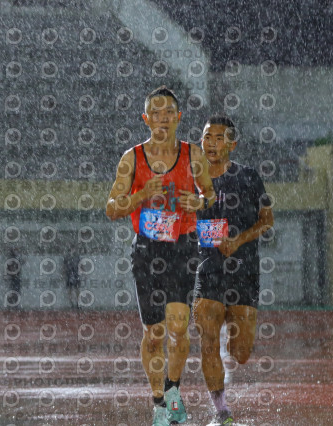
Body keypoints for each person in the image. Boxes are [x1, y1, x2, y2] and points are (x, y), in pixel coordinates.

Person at [106, 86, 216, 425]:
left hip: (182, 247)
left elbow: (211, 195)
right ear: (146, 119)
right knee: (154, 333)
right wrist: (140, 195)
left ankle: (173, 391)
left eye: (169, 112)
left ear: (178, 117)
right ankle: (158, 403)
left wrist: (199, 202)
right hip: (147, 250)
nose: (163, 118)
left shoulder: (192, 155)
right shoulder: (132, 158)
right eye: (156, 113)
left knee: (179, 326)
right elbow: (111, 208)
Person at [192, 115, 274, 425]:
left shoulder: (249, 177)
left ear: (232, 144)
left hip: (244, 270)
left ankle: (233, 328)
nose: (211, 143)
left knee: (240, 352)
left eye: (219, 138)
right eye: (207, 137)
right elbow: (183, 221)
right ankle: (222, 411)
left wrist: (238, 239)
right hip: (209, 268)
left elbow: (267, 220)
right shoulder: (192, 178)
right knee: (207, 341)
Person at [63, 242, 80, 310]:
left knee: (76, 289)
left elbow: (80, 265)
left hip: (75, 274)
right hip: (69, 274)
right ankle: (72, 304)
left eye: (74, 248)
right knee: (70, 289)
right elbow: (64, 266)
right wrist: (64, 273)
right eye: (72, 248)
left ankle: (77, 303)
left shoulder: (77, 257)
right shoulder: (67, 257)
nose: (73, 250)